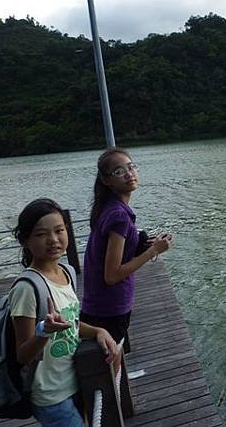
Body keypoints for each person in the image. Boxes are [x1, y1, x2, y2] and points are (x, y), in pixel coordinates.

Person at [10, 198, 120, 427]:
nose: (53, 240)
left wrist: (98, 330)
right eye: (41, 235)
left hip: (77, 378)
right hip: (50, 395)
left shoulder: (67, 272)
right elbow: (22, 355)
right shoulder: (26, 289)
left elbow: (72, 323)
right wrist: (44, 332)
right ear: (25, 241)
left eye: (59, 230)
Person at [80, 147, 171, 372]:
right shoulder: (119, 215)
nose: (129, 174)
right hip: (110, 306)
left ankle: (118, 397)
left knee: (111, 357)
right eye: (119, 171)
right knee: (109, 364)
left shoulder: (109, 209)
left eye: (131, 167)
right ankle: (116, 403)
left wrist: (143, 244)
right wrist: (153, 251)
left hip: (98, 303)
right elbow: (112, 275)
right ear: (106, 180)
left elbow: (112, 254)